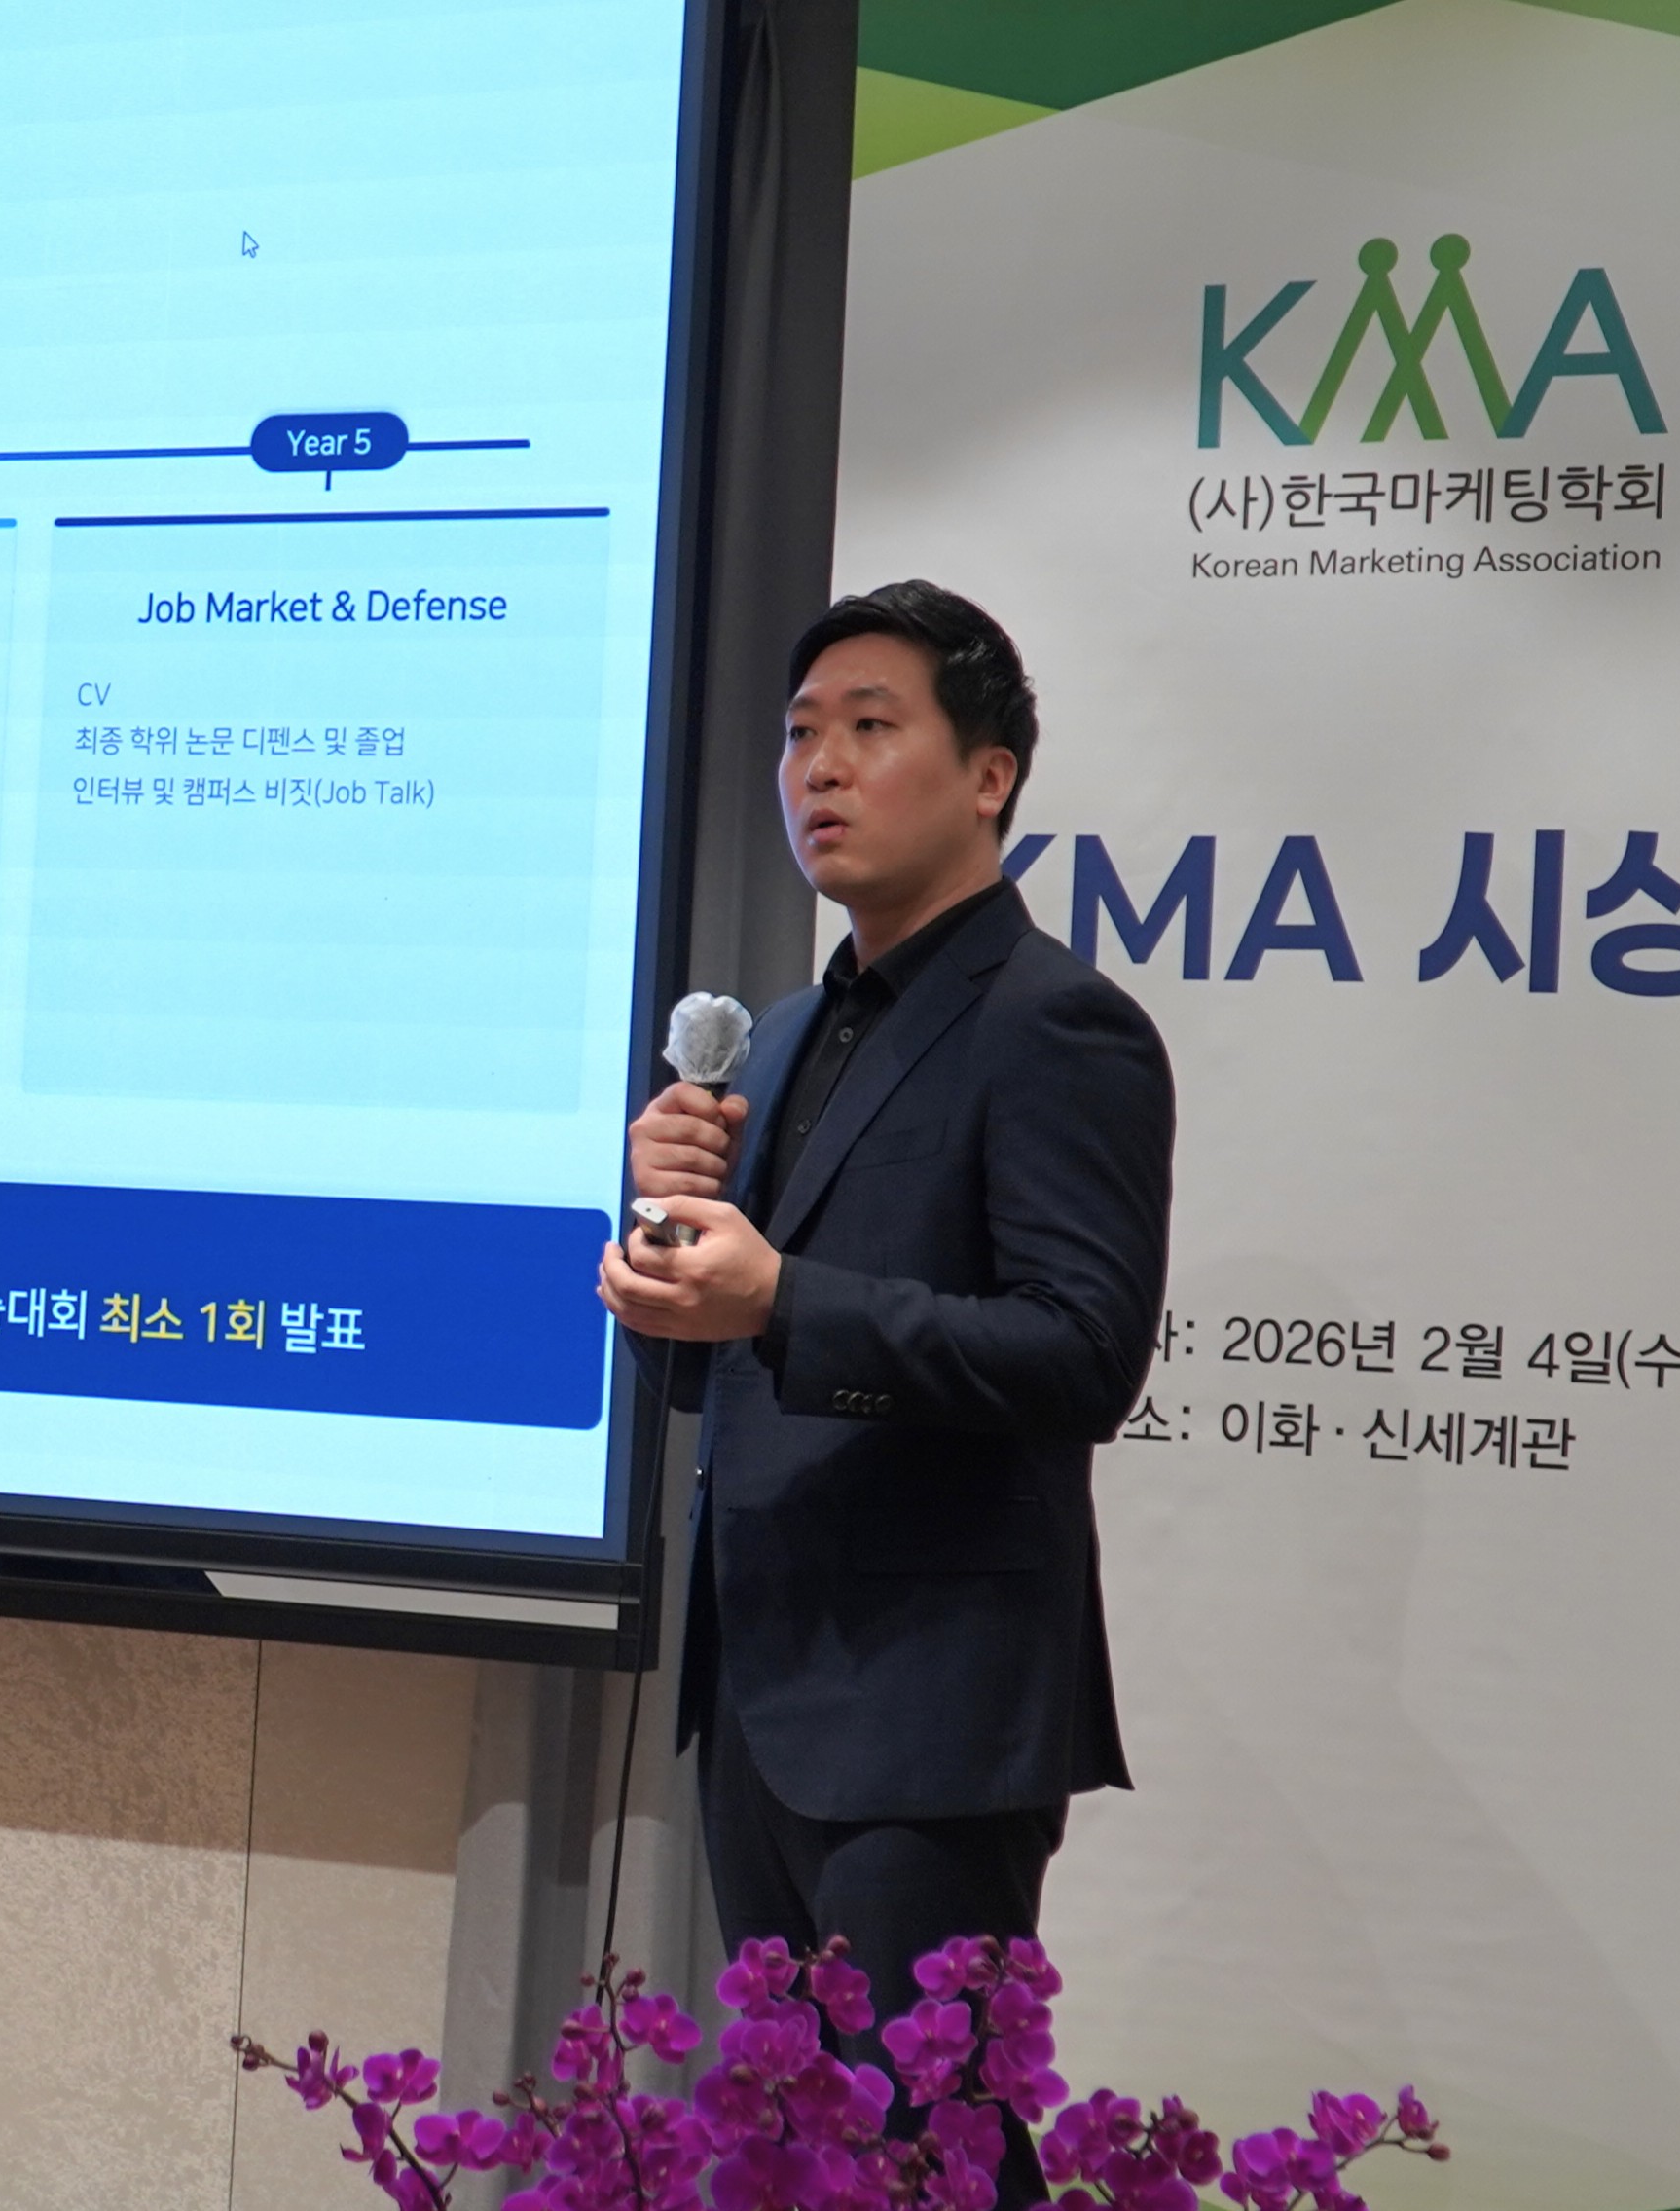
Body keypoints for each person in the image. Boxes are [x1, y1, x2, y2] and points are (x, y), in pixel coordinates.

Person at [599, 581, 1173, 2158]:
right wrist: (660, 1278)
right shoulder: (781, 1035)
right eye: (801, 736)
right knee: (799, 2158)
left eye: (869, 727)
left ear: (989, 774)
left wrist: (780, 1294)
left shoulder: (1058, 1025)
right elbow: (727, 1358)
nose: (821, 769)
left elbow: (1083, 1354)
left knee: (932, 2161)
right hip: (764, 1686)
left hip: (930, 1719)